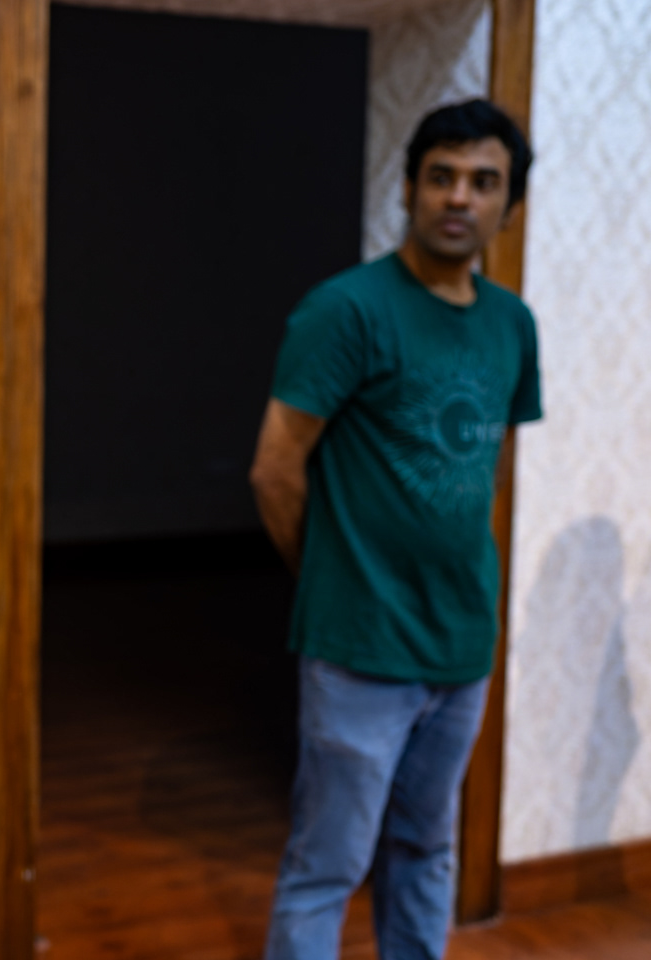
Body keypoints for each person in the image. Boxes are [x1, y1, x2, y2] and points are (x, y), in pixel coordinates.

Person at [250, 99, 540, 960]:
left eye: (483, 182)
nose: (459, 197)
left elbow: (489, 465)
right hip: (359, 647)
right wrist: (333, 577)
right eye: (441, 177)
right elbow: (275, 469)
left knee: (426, 849)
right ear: (410, 188)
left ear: (508, 205)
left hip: (461, 645)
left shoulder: (512, 324)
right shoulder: (347, 310)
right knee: (328, 863)